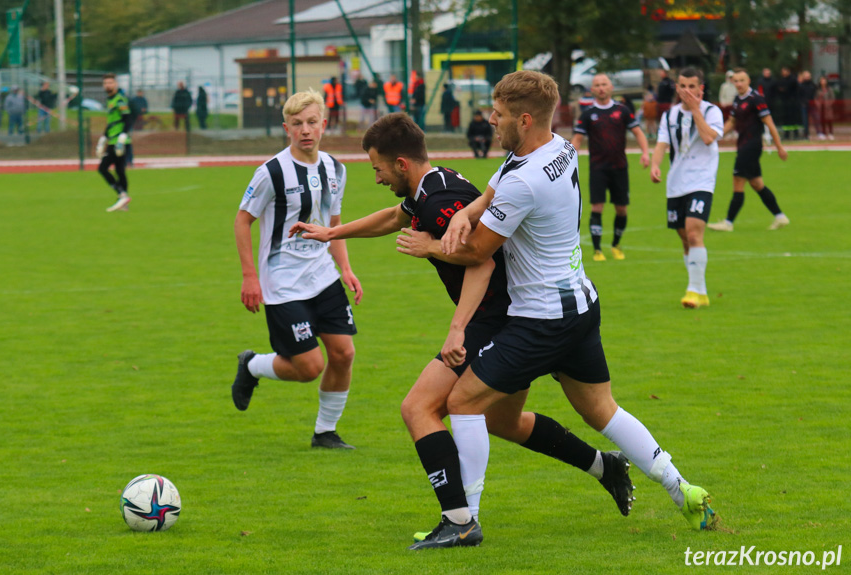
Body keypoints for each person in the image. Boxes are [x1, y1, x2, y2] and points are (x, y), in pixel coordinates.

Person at [397, 70, 717, 548]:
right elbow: (489, 194)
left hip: (539, 319)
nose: (491, 120)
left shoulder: (524, 181)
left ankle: (464, 522)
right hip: (581, 305)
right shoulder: (557, 147)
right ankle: (682, 489)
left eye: (500, 115)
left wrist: (432, 246)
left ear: (524, 119)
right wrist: (464, 212)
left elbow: (477, 253)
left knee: (462, 403)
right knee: (602, 410)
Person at [290, 112, 634, 547]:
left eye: (377, 168)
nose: (375, 176)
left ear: (400, 164)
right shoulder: (432, 184)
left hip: (498, 318)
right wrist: (332, 232)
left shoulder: (438, 203)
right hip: (512, 313)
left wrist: (457, 330)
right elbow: (395, 217)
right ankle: (605, 466)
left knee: (419, 408)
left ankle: (459, 519)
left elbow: (482, 259)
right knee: (503, 421)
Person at [231, 89, 362, 450]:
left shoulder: (336, 169)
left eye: (312, 122)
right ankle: (253, 365)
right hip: (283, 283)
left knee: (344, 354)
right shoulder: (271, 172)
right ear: (286, 128)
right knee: (308, 368)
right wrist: (249, 276)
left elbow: (334, 224)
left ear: (324, 124)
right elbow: (243, 221)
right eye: (297, 124)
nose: (306, 130)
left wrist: (346, 268)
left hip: (323, 276)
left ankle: (325, 433)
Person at [650, 67, 724, 309]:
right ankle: (700, 291)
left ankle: (692, 290)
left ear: (701, 88)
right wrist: (655, 165)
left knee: (694, 234)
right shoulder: (669, 115)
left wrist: (695, 111)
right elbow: (662, 143)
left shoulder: (712, 112)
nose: (687, 91)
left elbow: (708, 138)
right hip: (676, 183)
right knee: (685, 239)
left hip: (702, 181)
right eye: (683, 86)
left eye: (692, 86)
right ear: (677, 88)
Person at [571, 74, 649, 261]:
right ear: (592, 89)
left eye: (604, 84)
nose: (601, 88)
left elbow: (638, 132)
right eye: (597, 85)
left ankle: (616, 244)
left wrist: (645, 152)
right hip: (598, 169)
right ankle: (598, 250)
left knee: (621, 209)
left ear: (611, 87)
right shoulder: (588, 114)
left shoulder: (622, 111)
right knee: (597, 207)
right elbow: (577, 140)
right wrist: (568, 161)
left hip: (620, 168)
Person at [707, 68, 789, 233]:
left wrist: (779, 147)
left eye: (741, 80)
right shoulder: (737, 99)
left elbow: (770, 123)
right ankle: (780, 216)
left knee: (738, 180)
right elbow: (732, 122)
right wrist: (715, 136)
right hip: (743, 145)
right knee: (757, 184)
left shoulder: (756, 99)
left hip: (751, 146)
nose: (738, 84)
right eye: (735, 81)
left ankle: (728, 222)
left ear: (748, 81)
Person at [97, 74, 133, 212]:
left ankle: (122, 195)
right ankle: (124, 201)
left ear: (116, 84)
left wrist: (122, 136)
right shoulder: (110, 100)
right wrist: (103, 139)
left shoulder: (119, 99)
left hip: (119, 141)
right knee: (119, 170)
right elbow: (112, 123)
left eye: (110, 82)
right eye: (106, 83)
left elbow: (128, 119)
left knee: (102, 168)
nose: (108, 85)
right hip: (113, 140)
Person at [774, 67, 800, 140]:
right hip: (785, 103)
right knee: (786, 119)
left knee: (794, 119)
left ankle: (796, 134)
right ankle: (786, 134)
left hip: (792, 103)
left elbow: (794, 90)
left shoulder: (793, 80)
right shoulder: (781, 80)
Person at [814, 76, 835, 140]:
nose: (823, 82)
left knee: (829, 120)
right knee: (822, 121)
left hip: (828, 108)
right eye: (821, 80)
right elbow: (816, 98)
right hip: (821, 108)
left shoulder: (829, 89)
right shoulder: (818, 90)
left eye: (824, 80)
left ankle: (831, 133)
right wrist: (818, 104)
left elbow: (832, 98)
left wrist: (829, 104)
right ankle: (823, 133)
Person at [798, 70, 816, 140]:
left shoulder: (813, 85)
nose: (807, 77)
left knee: (816, 118)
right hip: (804, 105)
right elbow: (799, 95)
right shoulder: (801, 85)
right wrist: (802, 103)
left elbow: (815, 94)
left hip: (812, 105)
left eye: (808, 76)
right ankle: (806, 134)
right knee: (805, 120)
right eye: (806, 76)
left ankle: (820, 133)